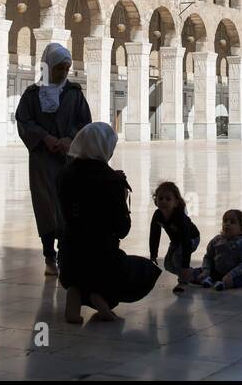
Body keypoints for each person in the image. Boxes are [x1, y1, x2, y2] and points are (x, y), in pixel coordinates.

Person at [57, 123, 161, 323]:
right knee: (145, 271)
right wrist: (120, 192)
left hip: (68, 259)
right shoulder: (111, 181)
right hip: (102, 259)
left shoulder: (64, 176)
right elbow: (122, 229)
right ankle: (101, 296)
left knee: (81, 269)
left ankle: (76, 292)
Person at [16, 42, 92, 277]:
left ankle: (65, 254)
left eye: (66, 69)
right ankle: (49, 254)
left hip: (68, 160)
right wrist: (44, 137)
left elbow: (85, 123)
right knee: (46, 206)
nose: (63, 73)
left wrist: (70, 139)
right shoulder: (32, 94)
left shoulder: (74, 93)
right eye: (59, 69)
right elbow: (24, 121)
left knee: (68, 206)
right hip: (42, 160)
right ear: (48, 67)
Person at [149, 181, 200, 293]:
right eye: (160, 198)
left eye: (168, 199)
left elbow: (186, 242)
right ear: (156, 200)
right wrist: (153, 254)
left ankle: (183, 282)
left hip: (191, 239)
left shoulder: (180, 217)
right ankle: (194, 274)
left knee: (178, 257)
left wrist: (185, 265)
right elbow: (154, 234)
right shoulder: (158, 215)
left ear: (176, 202)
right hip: (176, 242)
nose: (163, 201)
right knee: (168, 264)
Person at [191, 210, 242, 291]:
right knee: (194, 272)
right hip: (214, 271)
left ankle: (223, 284)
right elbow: (208, 257)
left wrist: (231, 275)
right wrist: (206, 270)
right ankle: (206, 279)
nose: (227, 224)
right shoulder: (217, 240)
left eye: (232, 222)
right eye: (225, 221)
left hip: (232, 275)